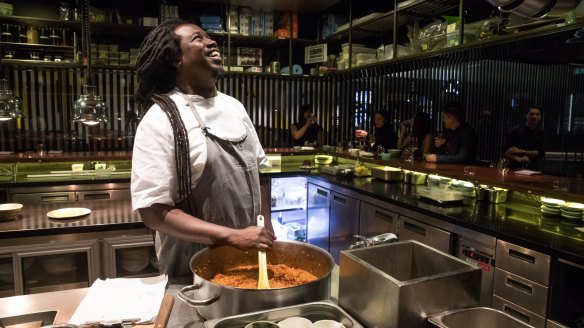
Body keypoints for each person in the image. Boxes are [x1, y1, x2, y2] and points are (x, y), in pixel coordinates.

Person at [131, 19, 275, 280]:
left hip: (248, 261)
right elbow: (153, 212)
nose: (211, 42)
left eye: (209, 36)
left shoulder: (234, 107)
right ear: (176, 58)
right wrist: (232, 236)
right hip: (192, 268)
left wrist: (266, 226)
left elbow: (260, 175)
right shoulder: (161, 118)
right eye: (198, 38)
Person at [502, 106, 545, 170]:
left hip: (533, 168)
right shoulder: (515, 131)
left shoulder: (542, 133)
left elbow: (540, 153)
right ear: (526, 115)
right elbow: (505, 151)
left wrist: (522, 151)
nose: (534, 116)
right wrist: (519, 159)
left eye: (537, 114)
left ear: (540, 117)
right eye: (532, 114)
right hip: (514, 167)